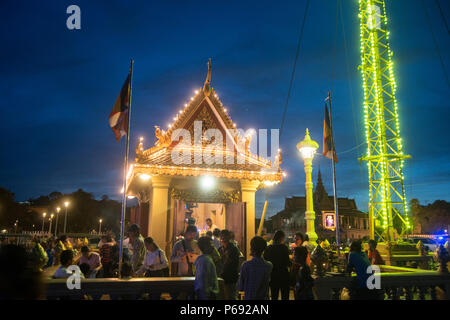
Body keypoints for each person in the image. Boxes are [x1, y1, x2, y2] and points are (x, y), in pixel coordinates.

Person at [263, 230, 291, 300]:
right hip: (283, 275)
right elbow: (287, 262)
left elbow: (265, 261)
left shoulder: (269, 248)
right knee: (285, 296)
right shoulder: (284, 248)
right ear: (281, 238)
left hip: (273, 276)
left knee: (274, 295)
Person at [218, 229, 240, 300]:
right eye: (221, 236)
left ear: (228, 237)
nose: (222, 238)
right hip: (222, 277)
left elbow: (231, 263)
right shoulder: (220, 249)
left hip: (231, 277)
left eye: (224, 236)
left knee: (231, 296)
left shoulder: (233, 249)